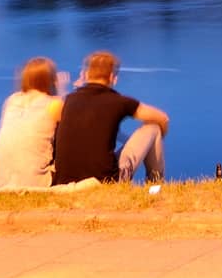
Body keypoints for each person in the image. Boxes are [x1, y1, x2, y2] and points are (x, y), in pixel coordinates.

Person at [52, 50, 168, 187]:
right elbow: (162, 118)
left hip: (65, 182)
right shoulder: (119, 102)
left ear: (87, 75)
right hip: (106, 182)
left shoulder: (67, 101)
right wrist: (158, 139)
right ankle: (156, 185)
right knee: (153, 128)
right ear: (113, 77)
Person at [0, 57, 68, 189]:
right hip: (34, 182)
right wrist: (63, 90)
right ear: (51, 80)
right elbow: (67, 133)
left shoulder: (11, 101)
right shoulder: (54, 103)